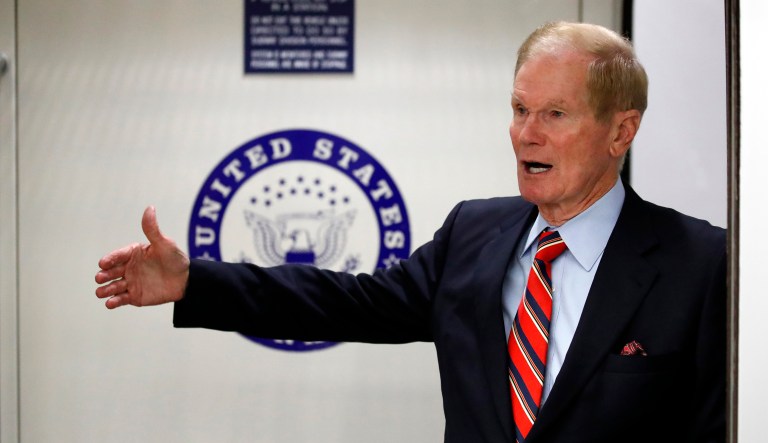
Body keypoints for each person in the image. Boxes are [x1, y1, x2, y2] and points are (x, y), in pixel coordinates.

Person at [95, 21, 726, 443]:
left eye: (555, 114)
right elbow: (348, 304)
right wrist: (192, 282)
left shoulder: (703, 263)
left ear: (622, 131)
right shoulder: (474, 232)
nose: (526, 133)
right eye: (518, 109)